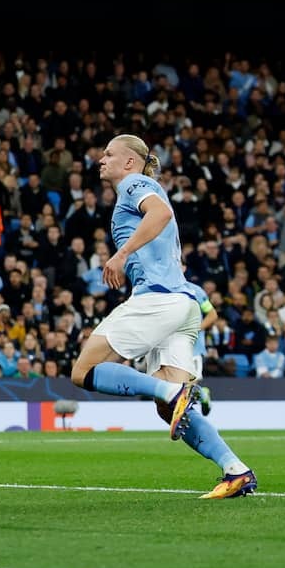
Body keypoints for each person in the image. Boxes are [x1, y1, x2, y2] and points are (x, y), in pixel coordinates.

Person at [69, 134, 256, 499]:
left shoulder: (135, 184)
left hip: (159, 300)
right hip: (183, 305)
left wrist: (120, 255)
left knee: (83, 371)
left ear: (129, 162)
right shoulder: (138, 189)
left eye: (109, 153)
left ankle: (174, 390)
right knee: (168, 411)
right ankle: (236, 470)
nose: (100, 159)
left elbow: (161, 213)